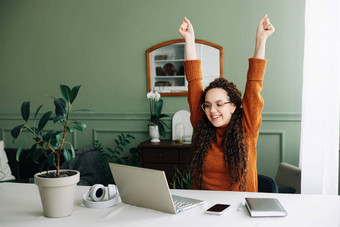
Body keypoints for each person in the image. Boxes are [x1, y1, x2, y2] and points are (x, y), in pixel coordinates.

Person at [178, 15, 275, 191]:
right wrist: (189, 40)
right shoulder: (202, 125)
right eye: (207, 105)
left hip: (238, 212)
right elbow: (194, 82)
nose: (212, 110)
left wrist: (261, 40)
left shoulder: (247, 127)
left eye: (219, 104)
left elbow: (254, 84)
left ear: (233, 106)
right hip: (202, 209)